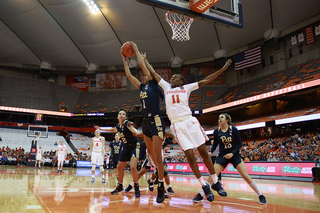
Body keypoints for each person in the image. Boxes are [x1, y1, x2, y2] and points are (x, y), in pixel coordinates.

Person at [146, 53, 232, 202]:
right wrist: (145, 60)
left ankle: (216, 183)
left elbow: (206, 80)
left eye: (176, 77)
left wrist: (223, 69)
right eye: (172, 77)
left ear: (182, 81)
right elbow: (153, 73)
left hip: (190, 121)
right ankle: (204, 186)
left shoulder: (186, 88)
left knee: (204, 152)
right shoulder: (166, 86)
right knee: (190, 156)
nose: (172, 78)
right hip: (177, 125)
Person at [121, 42, 168, 203]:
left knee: (158, 156)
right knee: (153, 158)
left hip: (156, 121)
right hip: (146, 123)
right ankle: (157, 178)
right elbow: (128, 76)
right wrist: (124, 59)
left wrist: (135, 47)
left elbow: (142, 64)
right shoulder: (142, 87)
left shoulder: (155, 84)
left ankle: (161, 186)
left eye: (146, 73)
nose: (144, 74)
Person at [198, 113, 267, 204]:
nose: (220, 119)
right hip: (223, 155)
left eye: (222, 117)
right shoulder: (216, 131)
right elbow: (215, 144)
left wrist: (232, 153)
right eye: (219, 118)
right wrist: (211, 151)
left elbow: (239, 144)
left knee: (246, 176)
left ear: (227, 120)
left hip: (235, 155)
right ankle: (200, 195)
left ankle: (260, 195)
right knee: (212, 176)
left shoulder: (233, 130)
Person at [98, 109, 142, 198]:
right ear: (118, 116)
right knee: (119, 167)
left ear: (125, 117)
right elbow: (113, 129)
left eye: (123, 114)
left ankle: (136, 187)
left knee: (133, 167)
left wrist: (137, 132)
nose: (121, 115)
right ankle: (120, 185)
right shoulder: (118, 126)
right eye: (120, 114)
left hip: (135, 146)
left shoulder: (127, 123)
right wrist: (101, 129)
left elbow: (133, 130)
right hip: (126, 147)